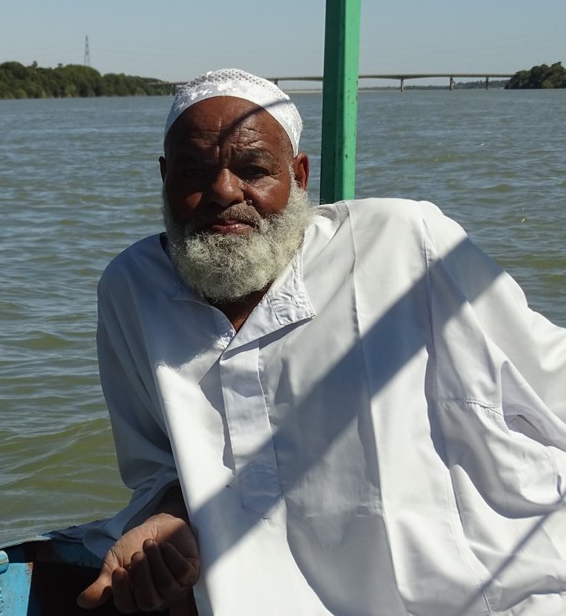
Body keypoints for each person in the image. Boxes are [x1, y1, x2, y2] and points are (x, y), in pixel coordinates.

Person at [74, 69, 566, 615]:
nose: (224, 191)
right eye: (194, 172)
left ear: (299, 175)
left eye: (254, 170)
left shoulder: (404, 242)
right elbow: (158, 468)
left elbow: (551, 383)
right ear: (164, 177)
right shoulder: (131, 289)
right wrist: (165, 516)